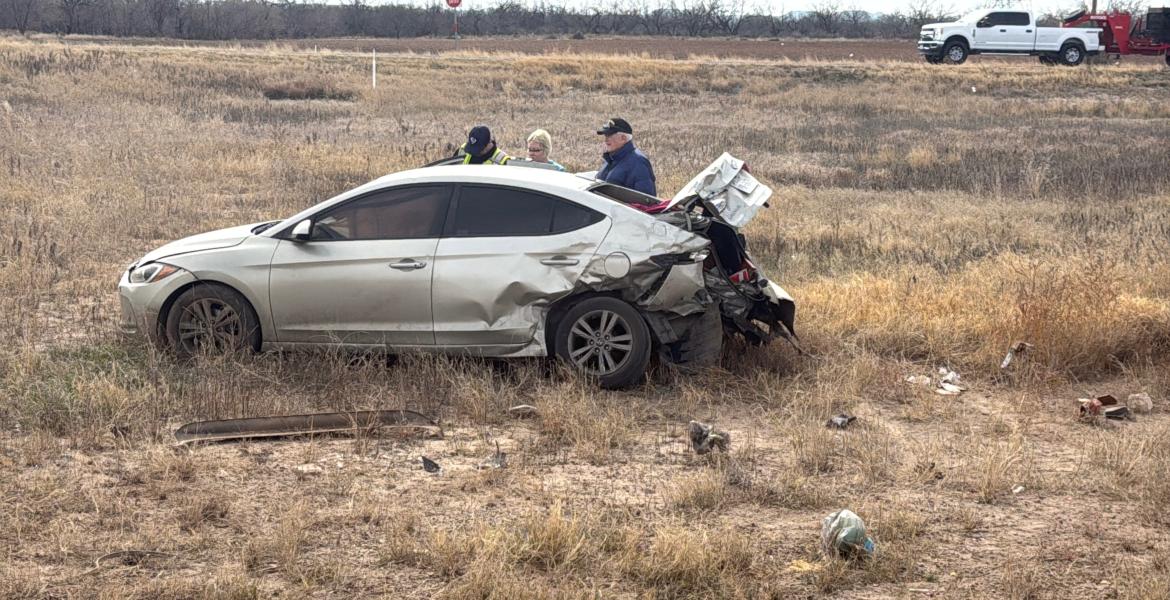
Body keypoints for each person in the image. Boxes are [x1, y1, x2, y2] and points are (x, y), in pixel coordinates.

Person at [595, 117, 655, 196]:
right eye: (605, 135)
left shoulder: (638, 162)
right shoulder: (610, 159)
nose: (606, 140)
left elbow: (646, 201)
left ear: (623, 138)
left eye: (609, 135)